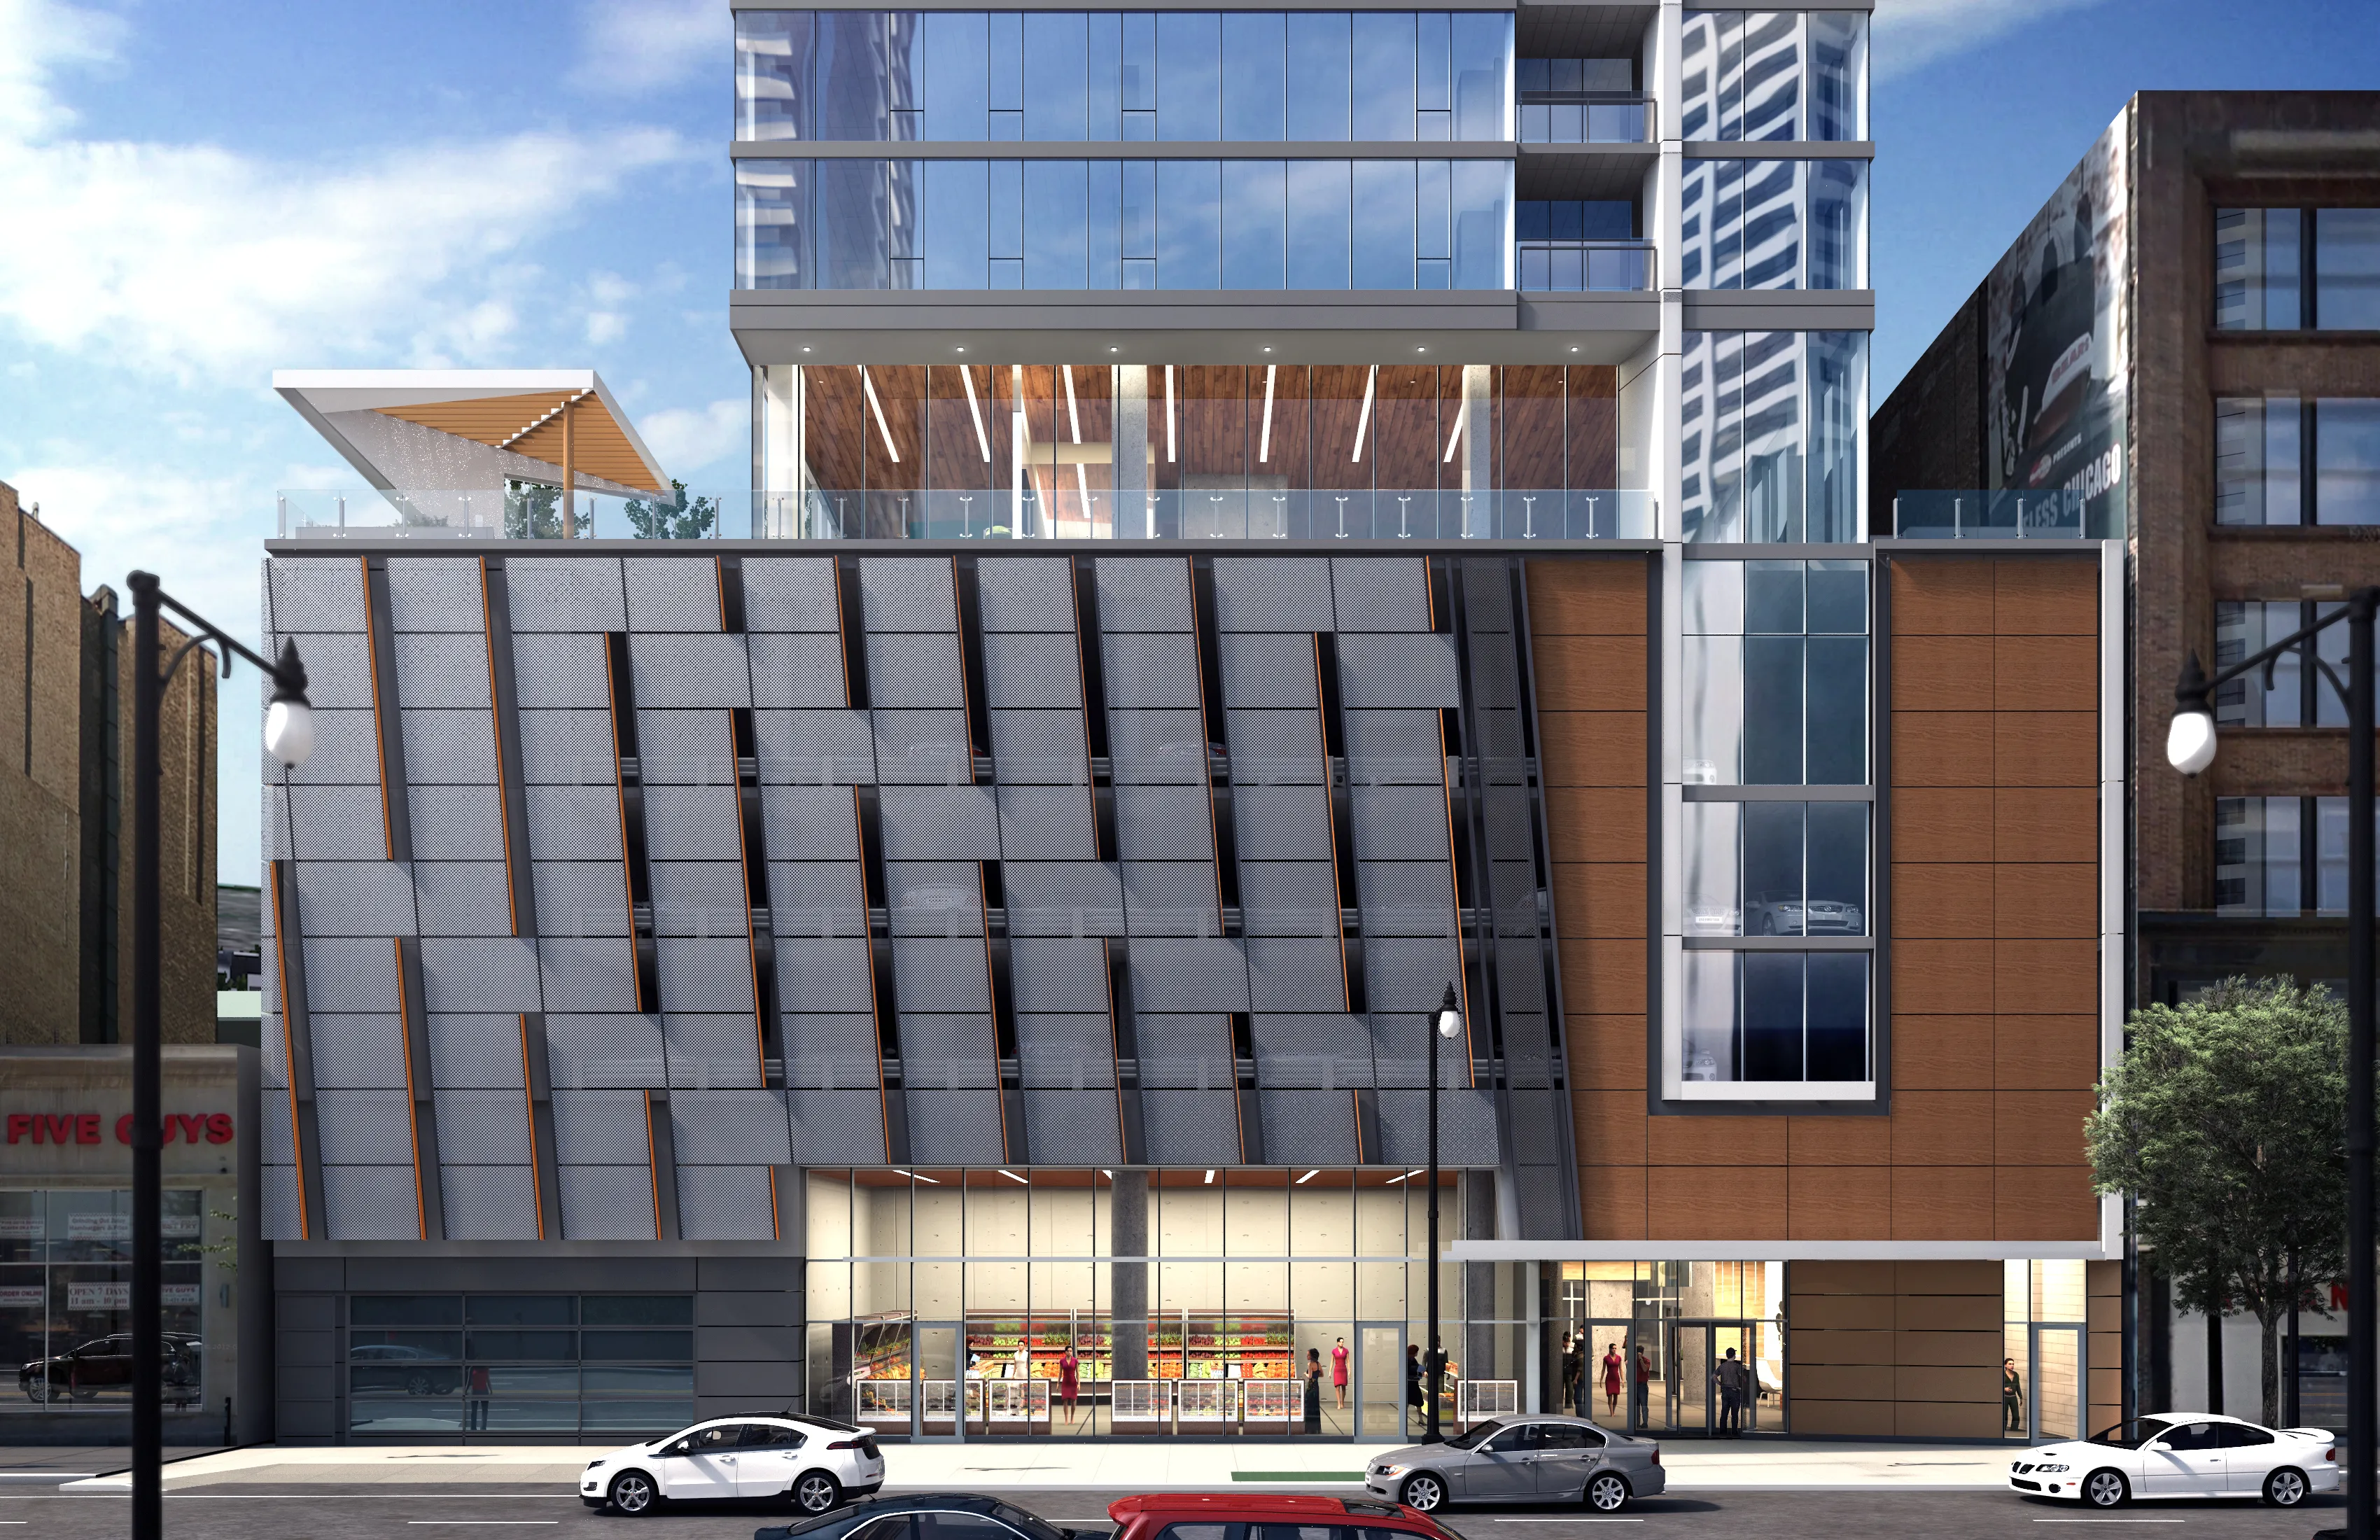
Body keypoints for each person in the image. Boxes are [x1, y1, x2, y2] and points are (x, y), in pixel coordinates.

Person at [1716, 1348, 1749, 1436]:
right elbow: (1744, 1378)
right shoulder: (1737, 1366)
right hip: (1735, 1391)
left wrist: (1720, 1384)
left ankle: (1723, 1432)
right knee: (1735, 1414)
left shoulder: (1722, 1366)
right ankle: (1734, 1432)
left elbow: (1713, 1377)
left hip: (1725, 1391)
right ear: (1734, 1355)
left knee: (1724, 1413)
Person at [1406, 1343, 1426, 1434]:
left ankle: (1420, 1420)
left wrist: (1422, 1372)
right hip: (1410, 1383)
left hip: (1413, 1383)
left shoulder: (1412, 1359)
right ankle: (1420, 1420)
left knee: (1417, 1402)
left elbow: (1417, 1368)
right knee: (1412, 1402)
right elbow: (1411, 1369)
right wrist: (1420, 1370)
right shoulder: (1408, 1360)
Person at [1602, 1342, 1625, 1417]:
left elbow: (1621, 1369)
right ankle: (1611, 1413)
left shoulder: (1619, 1358)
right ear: (1610, 1349)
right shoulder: (1606, 1358)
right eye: (1613, 1348)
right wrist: (1601, 1379)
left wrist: (1623, 1379)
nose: (1614, 1350)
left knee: (1616, 1396)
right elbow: (1603, 1369)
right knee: (1610, 1396)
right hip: (1609, 1378)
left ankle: (1614, 1411)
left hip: (1616, 1378)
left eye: (1615, 1348)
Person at [1632, 1344, 1653, 1429]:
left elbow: (1645, 1369)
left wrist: (1640, 1359)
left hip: (1642, 1385)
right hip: (1635, 1385)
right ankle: (1637, 1423)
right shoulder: (1633, 1361)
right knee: (1636, 1406)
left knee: (1644, 1405)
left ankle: (1645, 1423)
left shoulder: (1646, 1361)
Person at [1560, 1334, 1581, 1412]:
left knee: (1570, 1389)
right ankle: (1560, 1403)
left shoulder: (1571, 1351)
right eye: (1565, 1341)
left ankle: (1569, 1404)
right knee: (1560, 1389)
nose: (1566, 1343)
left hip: (1569, 1372)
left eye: (1568, 1342)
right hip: (1561, 1372)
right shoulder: (1560, 1350)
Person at [2003, 1358, 2024, 1435]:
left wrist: (2021, 1397)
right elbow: (1996, 1385)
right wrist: (2004, 1388)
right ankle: (2003, 1431)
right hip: (2004, 1397)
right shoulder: (2002, 1374)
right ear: (2005, 1365)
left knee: (2016, 1415)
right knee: (2004, 1415)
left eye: (2013, 1364)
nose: (2012, 1365)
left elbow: (2018, 1386)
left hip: (2013, 1397)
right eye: (2010, 1364)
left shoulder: (2016, 1375)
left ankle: (2014, 1430)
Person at [1304, 1348, 1323, 1434]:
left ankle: (1308, 1428)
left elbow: (1310, 1376)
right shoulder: (1319, 1364)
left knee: (1308, 1406)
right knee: (1315, 1406)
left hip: (1310, 1387)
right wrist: (1316, 1376)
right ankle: (1316, 1429)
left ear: (1311, 1356)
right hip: (1317, 1387)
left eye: (1308, 1355)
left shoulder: (1310, 1364)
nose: (1307, 1356)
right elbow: (1322, 1374)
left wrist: (1305, 1374)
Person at [1059, 1345, 1081, 1413]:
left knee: (1073, 1400)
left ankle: (1072, 1417)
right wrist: (1058, 1382)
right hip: (1065, 1382)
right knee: (1065, 1400)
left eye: (1071, 1351)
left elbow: (1077, 1373)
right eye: (1068, 1351)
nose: (1069, 1352)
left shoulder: (1075, 1361)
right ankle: (1066, 1419)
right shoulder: (1062, 1361)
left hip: (1073, 1382)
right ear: (1065, 1352)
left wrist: (1079, 1383)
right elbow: (1060, 1373)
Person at [1331, 1336, 1350, 1409]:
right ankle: (1339, 1403)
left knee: (1344, 1387)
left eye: (1343, 1342)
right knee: (1337, 1387)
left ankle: (1342, 1402)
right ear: (1337, 1342)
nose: (1341, 1343)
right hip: (1337, 1370)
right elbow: (1332, 1361)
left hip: (1343, 1369)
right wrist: (1330, 1371)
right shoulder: (1334, 1351)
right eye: (1340, 1342)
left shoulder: (1346, 1351)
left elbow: (1348, 1361)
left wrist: (1349, 1371)